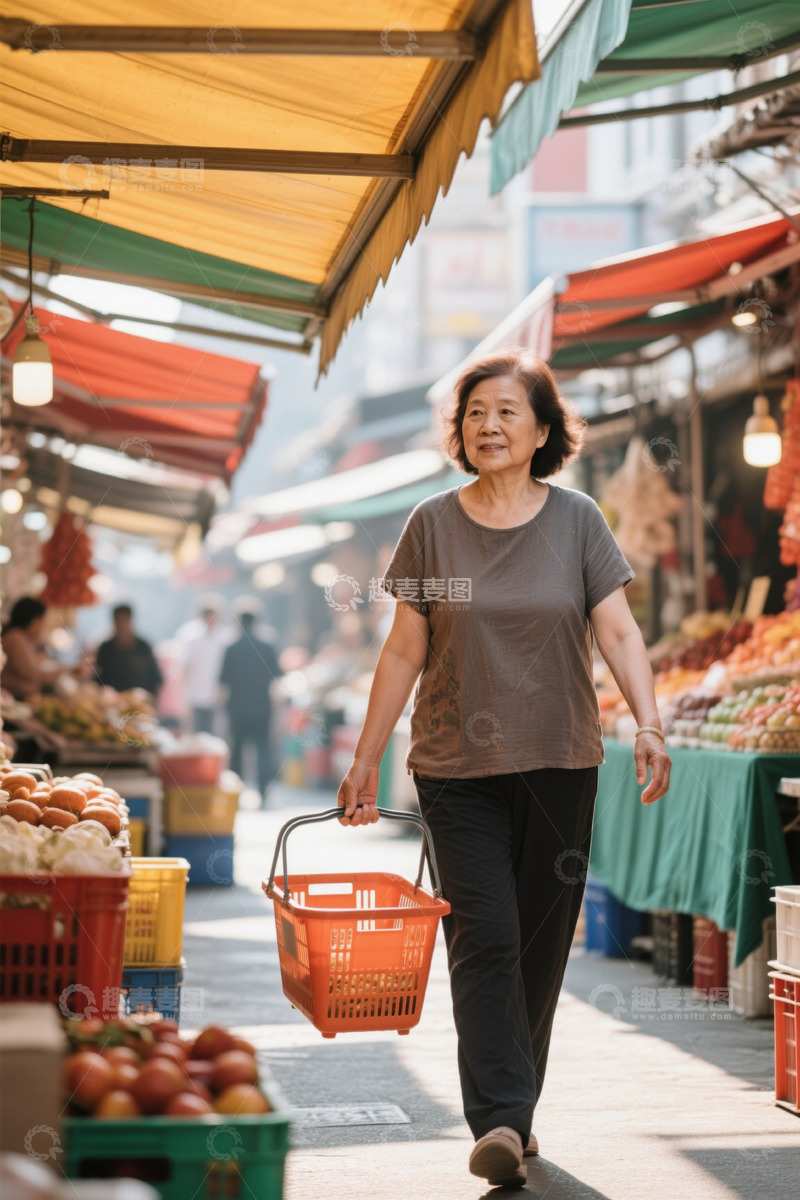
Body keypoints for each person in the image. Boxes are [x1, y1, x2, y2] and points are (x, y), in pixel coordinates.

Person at [336, 348, 671, 1187]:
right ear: (460, 429)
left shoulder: (578, 521)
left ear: (543, 432)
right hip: (456, 768)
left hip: (562, 763)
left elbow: (621, 632)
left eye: (507, 412)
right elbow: (405, 646)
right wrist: (365, 758)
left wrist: (652, 724)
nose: (488, 424)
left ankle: (514, 1115)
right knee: (483, 934)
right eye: (475, 412)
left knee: (540, 948)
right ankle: (500, 1122)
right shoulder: (433, 525)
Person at [220, 602, 283, 801]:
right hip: (262, 706)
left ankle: (236, 793)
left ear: (239, 622)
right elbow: (277, 677)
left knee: (237, 750)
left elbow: (223, 681)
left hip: (237, 707)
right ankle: (263, 791)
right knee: (263, 748)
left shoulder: (232, 647)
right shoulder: (267, 646)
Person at [177, 596, 229, 734]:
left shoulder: (224, 636)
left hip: (216, 694)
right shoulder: (190, 635)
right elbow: (185, 666)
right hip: (194, 693)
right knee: (196, 732)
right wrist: (182, 696)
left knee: (216, 733)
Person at [94, 604, 164, 696]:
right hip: (111, 704)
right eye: (118, 621)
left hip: (140, 704)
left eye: (124, 621)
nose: (121, 626)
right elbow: (97, 679)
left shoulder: (144, 647)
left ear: (130, 620)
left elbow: (157, 680)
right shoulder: (105, 648)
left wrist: (152, 703)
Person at [0, 596, 60, 699]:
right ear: (33, 620)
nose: (42, 627)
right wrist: (68, 670)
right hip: (11, 697)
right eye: (41, 621)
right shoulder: (15, 638)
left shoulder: (24, 639)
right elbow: (34, 675)